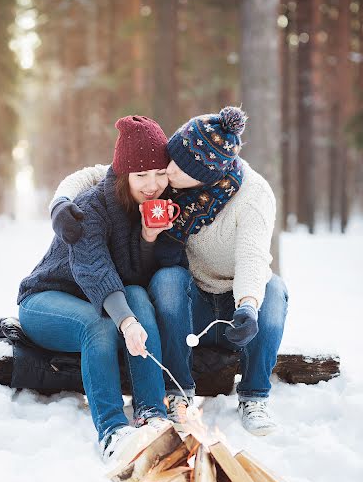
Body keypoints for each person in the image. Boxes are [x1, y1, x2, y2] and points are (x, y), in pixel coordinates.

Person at [49, 106, 288, 436]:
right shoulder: (171, 178)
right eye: (169, 160)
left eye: (173, 167)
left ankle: (254, 396)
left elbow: (253, 259)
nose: (166, 171)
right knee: (168, 279)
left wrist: (247, 304)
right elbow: (102, 174)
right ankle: (179, 393)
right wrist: (60, 200)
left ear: (205, 174)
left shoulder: (253, 196)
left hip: (238, 301)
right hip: (194, 299)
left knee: (273, 290)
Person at [17, 115, 176, 464]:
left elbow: (133, 277)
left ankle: (152, 412)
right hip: (47, 299)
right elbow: (95, 271)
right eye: (141, 175)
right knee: (100, 324)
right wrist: (127, 323)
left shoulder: (150, 207)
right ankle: (113, 431)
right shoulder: (90, 207)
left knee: (138, 298)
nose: (153, 184)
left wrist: (149, 240)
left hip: (98, 299)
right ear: (123, 175)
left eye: (160, 173)